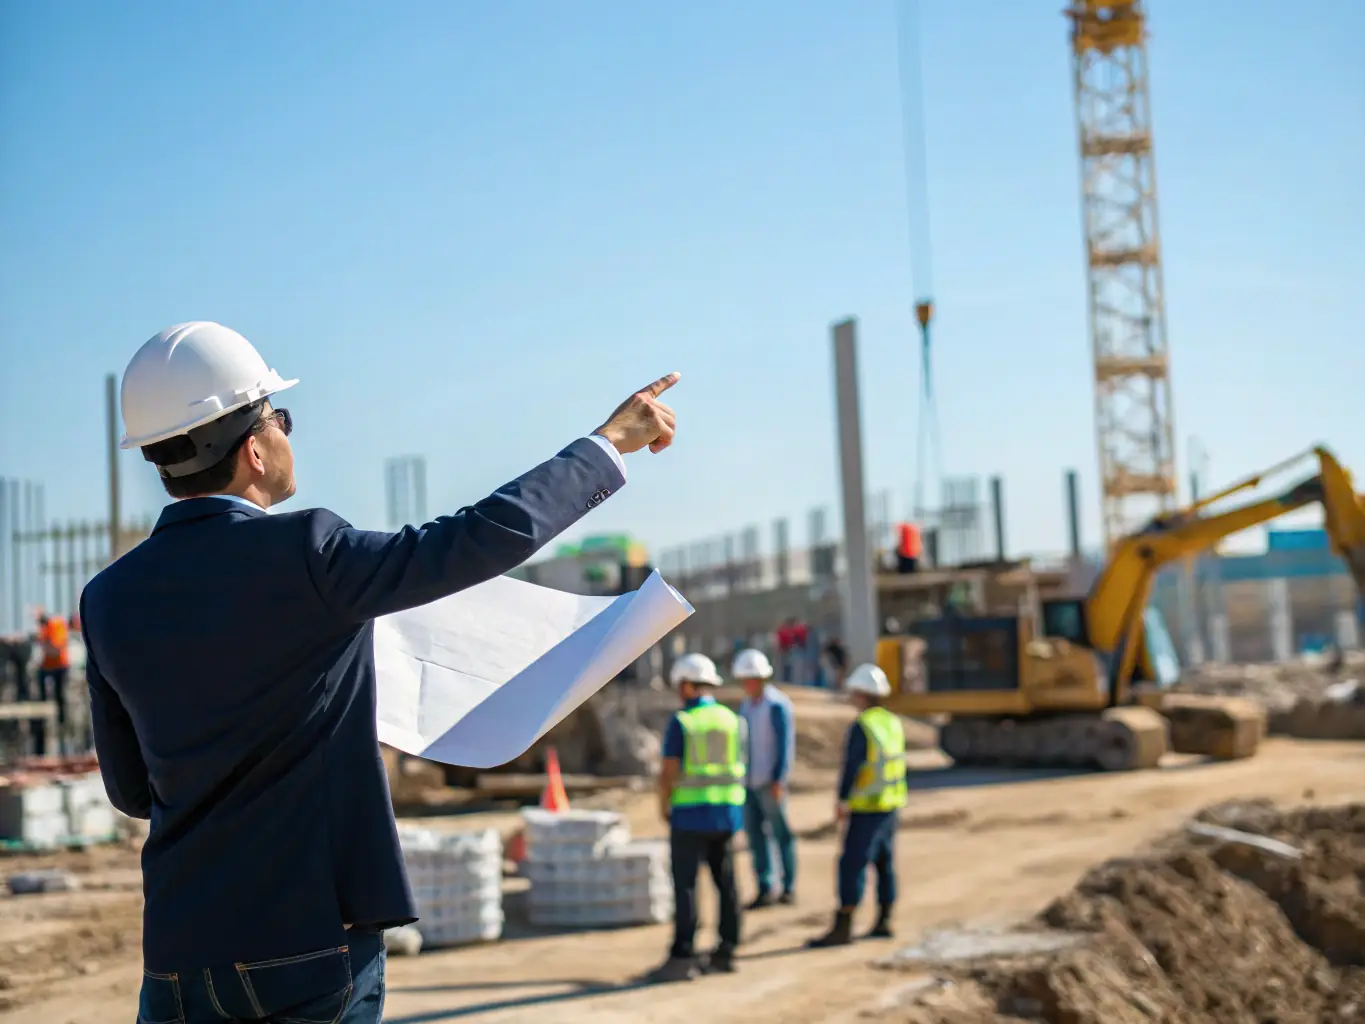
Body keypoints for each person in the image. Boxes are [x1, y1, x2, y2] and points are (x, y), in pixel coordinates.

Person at [80, 321, 679, 1024]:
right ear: (253, 450)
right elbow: (473, 538)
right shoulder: (308, 552)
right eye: (282, 418)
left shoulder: (107, 598)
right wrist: (606, 445)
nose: (287, 435)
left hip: (178, 956)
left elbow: (129, 788)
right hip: (306, 943)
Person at [652, 652, 745, 982]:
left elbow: (669, 771)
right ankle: (728, 950)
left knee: (687, 887)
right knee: (727, 884)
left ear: (689, 686)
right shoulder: (731, 720)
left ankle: (683, 956)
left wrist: (663, 804)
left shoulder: (684, 721)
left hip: (690, 815)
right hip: (726, 814)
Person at [807, 663, 907, 948]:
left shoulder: (863, 726)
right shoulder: (892, 722)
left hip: (866, 807)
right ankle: (885, 920)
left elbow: (852, 767)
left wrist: (842, 800)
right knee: (885, 864)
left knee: (852, 864)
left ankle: (844, 924)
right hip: (890, 804)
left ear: (861, 694)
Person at [733, 648, 797, 907]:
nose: (747, 685)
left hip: (770, 782)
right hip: (749, 782)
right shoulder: (746, 706)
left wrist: (778, 779)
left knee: (781, 834)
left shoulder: (777, 705)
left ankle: (788, 886)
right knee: (756, 837)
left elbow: (784, 746)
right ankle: (765, 886)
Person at [35, 611, 71, 755]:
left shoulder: (57, 625)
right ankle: (42, 713)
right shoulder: (45, 629)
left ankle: (61, 720)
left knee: (60, 695)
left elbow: (56, 648)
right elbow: (45, 646)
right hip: (48, 666)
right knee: (42, 684)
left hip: (60, 665)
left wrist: (46, 644)